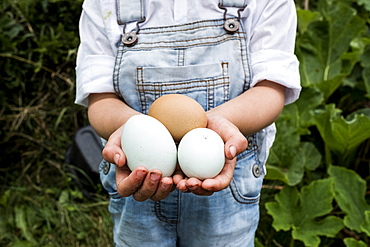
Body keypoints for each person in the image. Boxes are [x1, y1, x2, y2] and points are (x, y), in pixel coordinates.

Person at [75, 0, 301, 246]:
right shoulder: (104, 4)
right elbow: (100, 99)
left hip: (227, 189)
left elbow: (270, 89)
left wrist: (215, 125)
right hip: (138, 181)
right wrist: (135, 130)